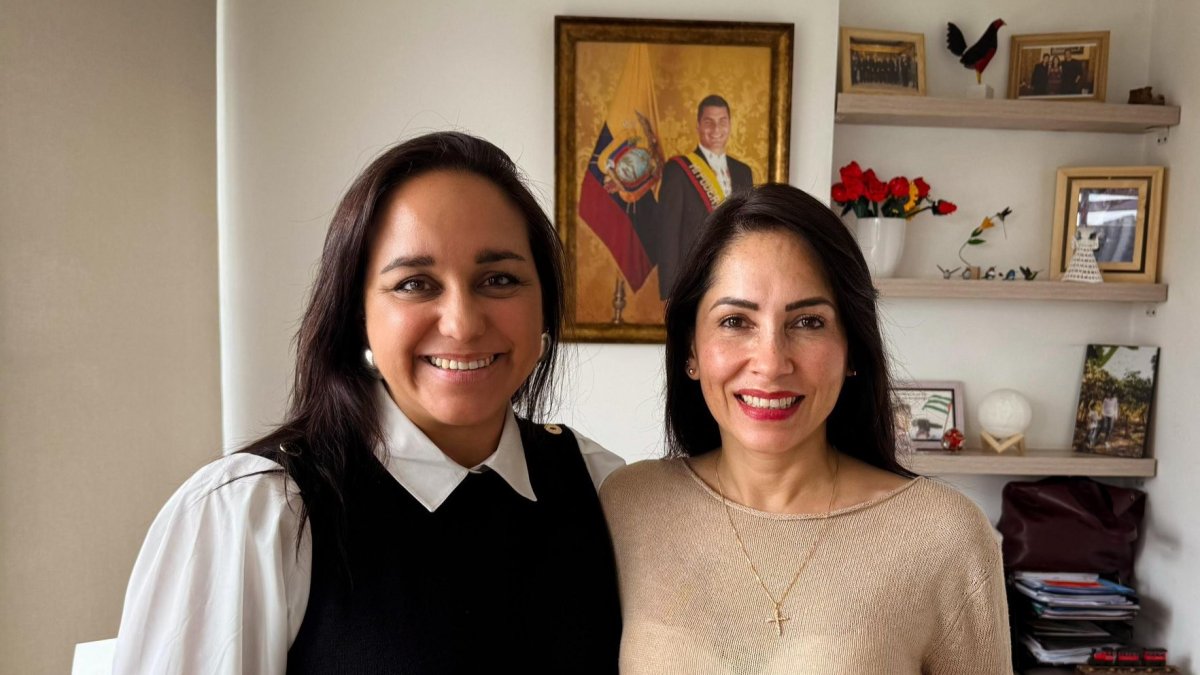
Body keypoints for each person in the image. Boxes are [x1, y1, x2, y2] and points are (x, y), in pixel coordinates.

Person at [112, 132, 624, 673]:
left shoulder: (602, 489)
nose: (463, 323)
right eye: (415, 284)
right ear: (358, 313)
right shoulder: (259, 515)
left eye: (499, 279)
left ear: (543, 305)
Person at [600, 184, 1011, 673]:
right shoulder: (629, 505)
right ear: (691, 349)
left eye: (809, 323)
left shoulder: (946, 535)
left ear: (852, 348)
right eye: (735, 321)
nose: (771, 363)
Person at [651, 94, 754, 300]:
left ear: (730, 125)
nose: (716, 129)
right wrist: (670, 293)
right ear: (698, 126)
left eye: (722, 122)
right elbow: (668, 234)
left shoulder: (743, 171)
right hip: (692, 281)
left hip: (734, 277)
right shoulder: (678, 170)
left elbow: (747, 228)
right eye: (709, 122)